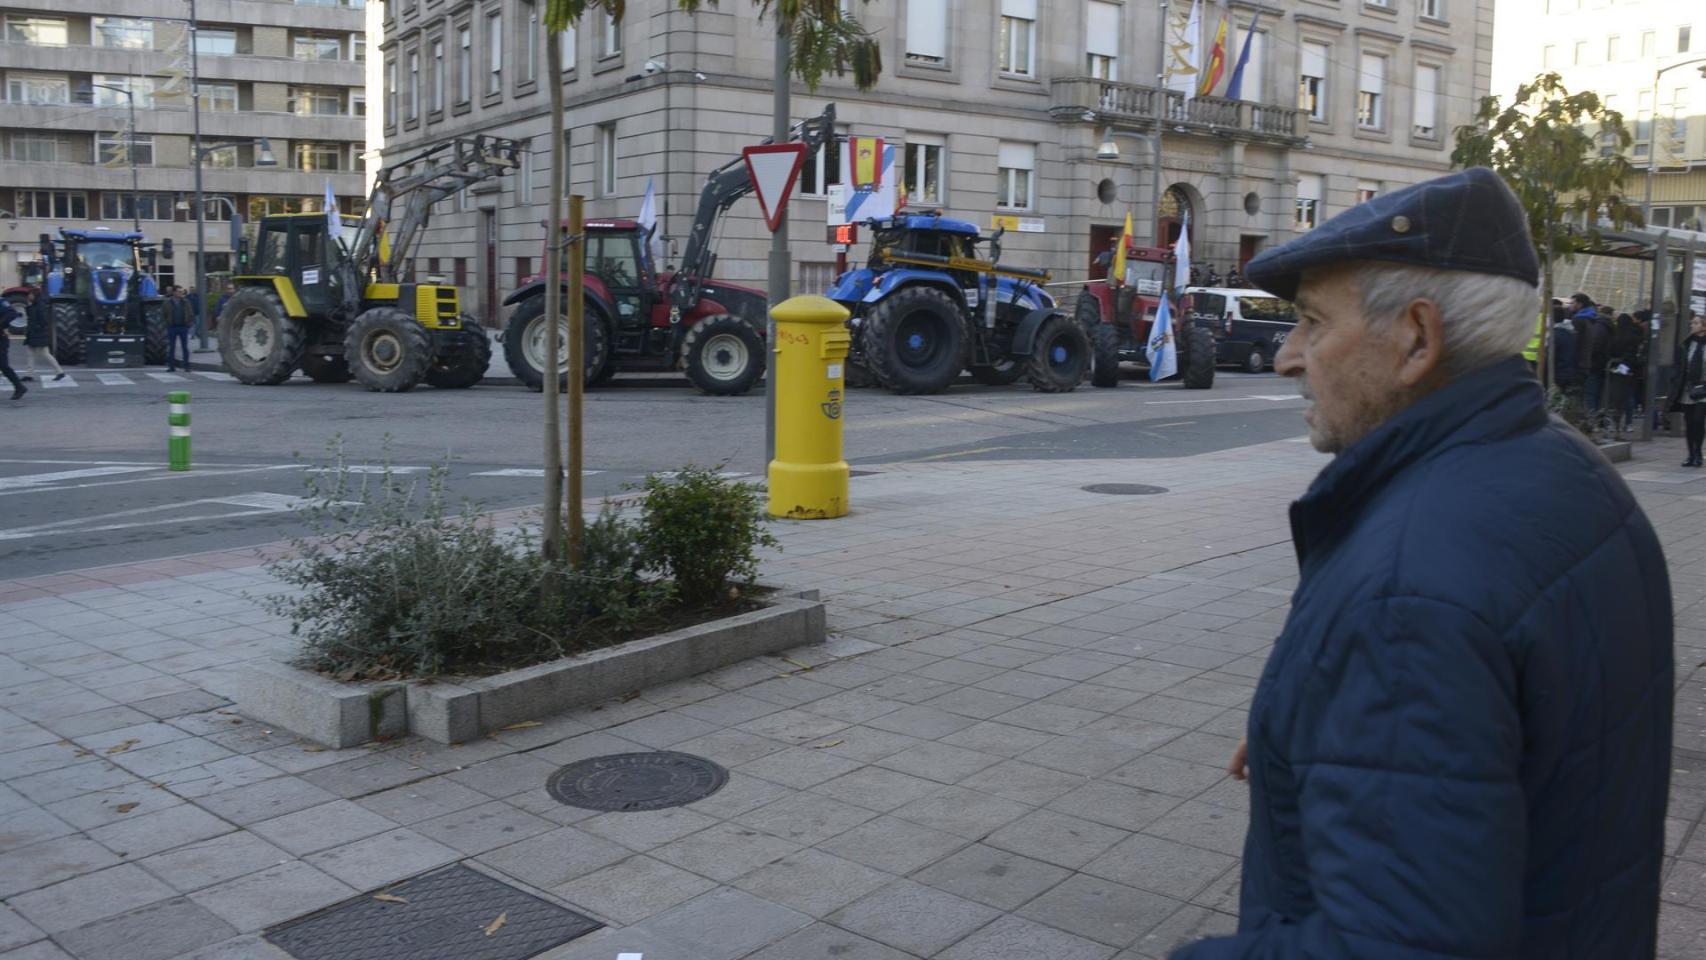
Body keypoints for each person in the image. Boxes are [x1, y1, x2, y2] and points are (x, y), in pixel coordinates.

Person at [1174, 168, 1672, 959]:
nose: (1287, 358)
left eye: (1310, 321)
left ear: (1416, 337)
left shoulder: (1409, 594)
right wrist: (1329, 725)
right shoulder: (1569, 472)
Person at [1669, 312, 1706, 467]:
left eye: (1696, 323)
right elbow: (1679, 366)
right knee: (1689, 422)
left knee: (1698, 421)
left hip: (1704, 389)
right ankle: (1690, 454)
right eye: (1692, 323)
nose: (1692, 325)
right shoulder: (1687, 344)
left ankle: (1698, 452)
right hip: (1688, 389)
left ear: (1704, 326)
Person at [1603, 311, 1645, 437]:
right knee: (1629, 397)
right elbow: (1634, 354)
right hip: (1629, 370)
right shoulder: (1634, 337)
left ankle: (1613, 424)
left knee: (1614, 397)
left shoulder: (1614, 336)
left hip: (1614, 369)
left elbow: (1608, 352)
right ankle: (1628, 423)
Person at [1570, 293, 1609, 417]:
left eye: (1573, 303)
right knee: (1585, 394)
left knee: (1577, 397)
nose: (1571, 305)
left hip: (1577, 363)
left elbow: (1575, 344)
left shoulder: (1578, 321)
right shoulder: (1592, 319)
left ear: (1580, 304)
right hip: (1587, 362)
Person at [18, 287, 64, 383]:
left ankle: (60, 372)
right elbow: (31, 316)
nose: (28, 296)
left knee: (44, 353)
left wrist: (37, 328)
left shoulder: (40, 305)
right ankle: (29, 374)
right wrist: (28, 306)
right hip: (34, 333)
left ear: (34, 295)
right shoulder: (35, 305)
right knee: (30, 353)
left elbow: (42, 321)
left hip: (38, 334)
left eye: (30, 294)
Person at [164, 285, 194, 372]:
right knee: (172, 347)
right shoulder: (167, 302)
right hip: (172, 327)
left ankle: (186, 366)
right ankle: (171, 366)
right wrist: (167, 324)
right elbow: (163, 314)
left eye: (181, 291)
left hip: (183, 327)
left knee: (185, 347)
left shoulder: (186, 302)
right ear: (174, 292)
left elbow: (190, 313)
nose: (181, 293)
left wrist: (189, 324)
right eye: (179, 291)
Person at [0, 300, 26, 400]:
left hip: (1, 339)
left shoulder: (1, 302)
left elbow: (11, 314)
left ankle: (19, 387)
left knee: (3, 365)